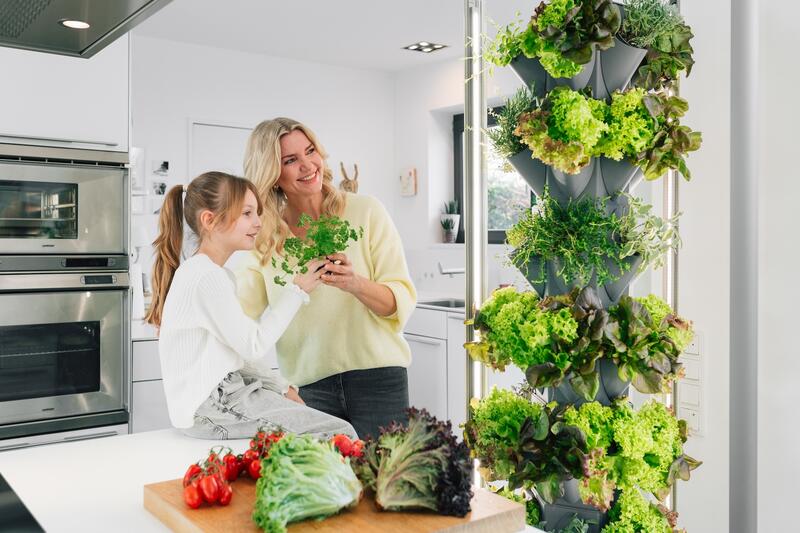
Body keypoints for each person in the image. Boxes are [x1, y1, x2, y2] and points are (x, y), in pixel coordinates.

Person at [237, 117, 417, 439]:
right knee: (325, 487)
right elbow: (240, 323)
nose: (308, 165)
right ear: (272, 175)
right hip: (309, 391)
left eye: (310, 151)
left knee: (390, 487)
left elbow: (399, 301)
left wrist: (355, 283)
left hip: (378, 380)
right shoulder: (264, 238)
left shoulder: (366, 212)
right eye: (291, 160)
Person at [145, 171, 356, 440]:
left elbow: (237, 353)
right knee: (340, 433)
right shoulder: (206, 276)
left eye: (257, 212)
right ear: (209, 220)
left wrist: (281, 388)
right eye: (247, 213)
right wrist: (298, 290)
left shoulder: (211, 273)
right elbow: (253, 344)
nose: (258, 222)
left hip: (225, 396)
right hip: (214, 405)